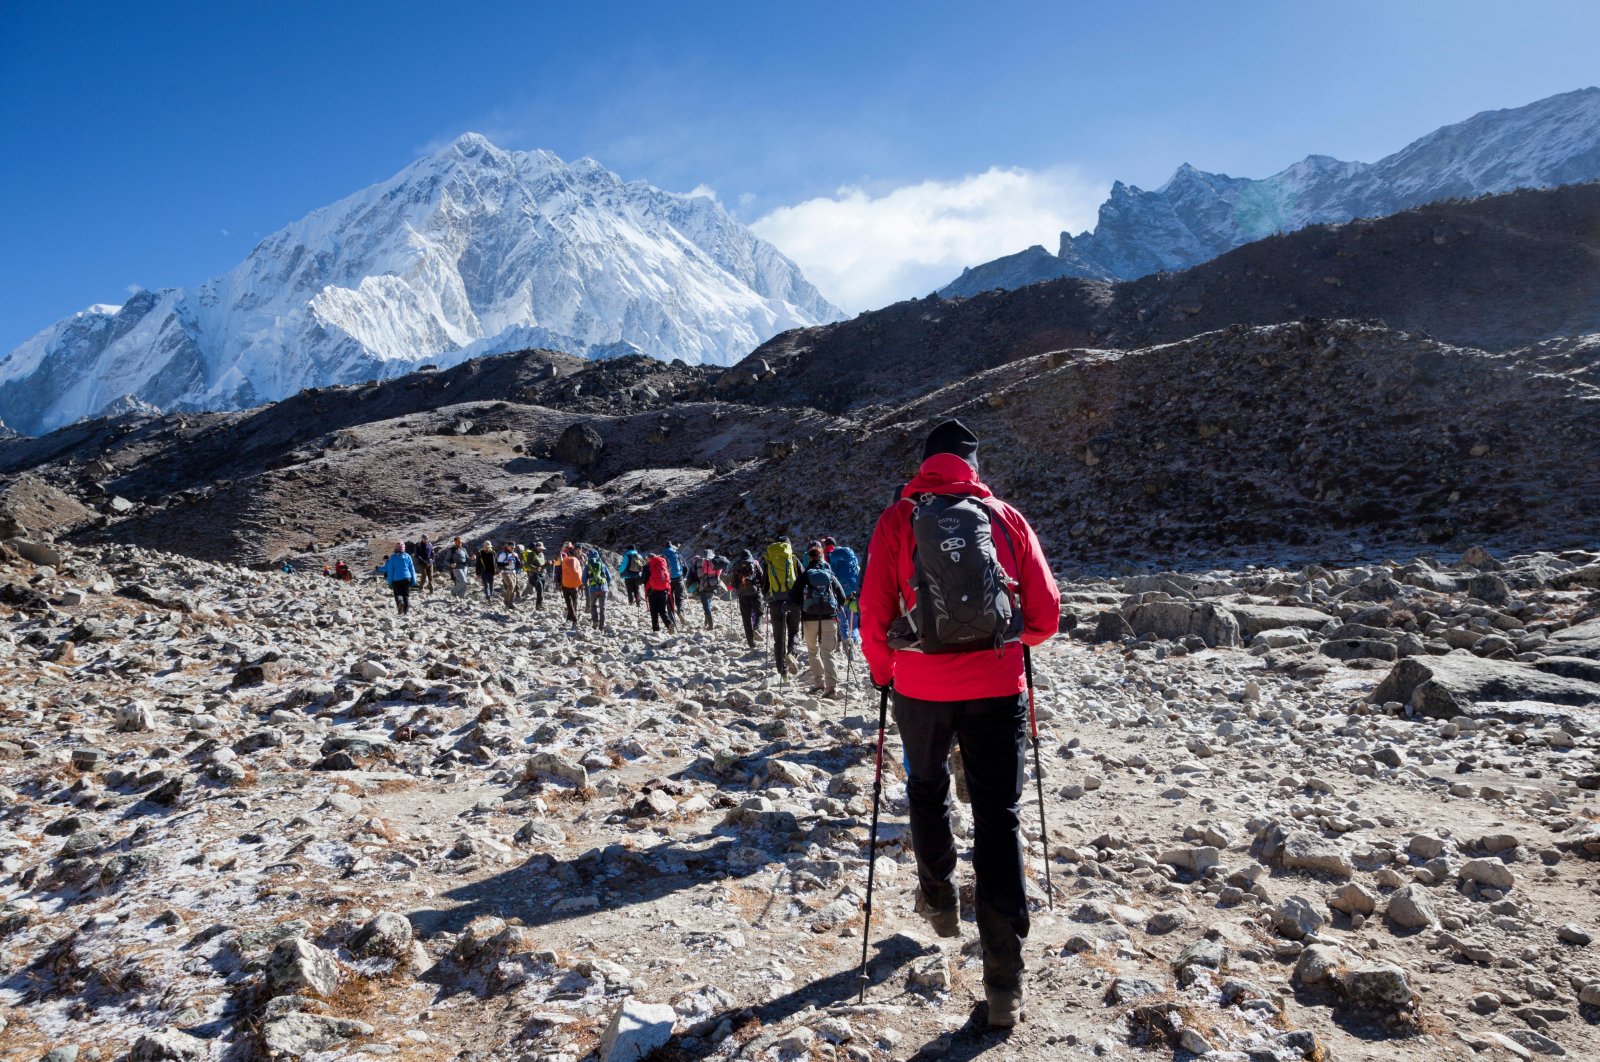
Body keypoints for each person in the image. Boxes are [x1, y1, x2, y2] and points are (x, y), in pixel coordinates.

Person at [860, 418, 1060, 1028]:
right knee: (998, 817)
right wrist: (1003, 639)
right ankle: (1005, 984)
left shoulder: (898, 520)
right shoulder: (1004, 518)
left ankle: (939, 897)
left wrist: (884, 672)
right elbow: (1047, 618)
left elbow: (872, 611)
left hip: (918, 688)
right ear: (974, 466)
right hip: (998, 688)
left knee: (925, 789)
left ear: (924, 465)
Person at [796, 544, 847, 696]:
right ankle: (831, 687)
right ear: (822, 557)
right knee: (828, 653)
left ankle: (818, 683)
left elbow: (793, 596)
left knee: (813, 651)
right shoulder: (829, 574)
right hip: (829, 619)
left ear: (809, 558)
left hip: (809, 619)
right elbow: (842, 597)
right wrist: (835, 608)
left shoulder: (805, 574)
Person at [762, 536, 802, 676]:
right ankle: (791, 653)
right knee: (794, 632)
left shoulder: (770, 560)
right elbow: (802, 580)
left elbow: (764, 584)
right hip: (793, 602)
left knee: (779, 639)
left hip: (775, 602)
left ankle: (782, 672)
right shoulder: (794, 560)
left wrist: (768, 598)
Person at [825, 536, 863, 649]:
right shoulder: (853, 563)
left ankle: (846, 640)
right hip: (852, 595)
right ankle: (854, 639)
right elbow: (859, 576)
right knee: (855, 624)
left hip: (839, 596)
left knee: (842, 622)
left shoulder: (833, 562)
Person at [729, 550, 764, 648]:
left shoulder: (736, 566)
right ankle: (757, 627)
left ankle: (751, 643)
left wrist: (737, 590)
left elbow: (733, 582)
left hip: (742, 595)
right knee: (760, 613)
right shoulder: (755, 563)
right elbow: (761, 577)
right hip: (755, 593)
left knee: (746, 619)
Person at [380, 542, 418, 615]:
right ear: (404, 548)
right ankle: (405, 612)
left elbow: (390, 571)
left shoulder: (393, 557)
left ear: (396, 548)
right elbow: (412, 569)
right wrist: (414, 581)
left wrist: (390, 582)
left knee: (397, 594)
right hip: (407, 578)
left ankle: (400, 605)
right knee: (406, 596)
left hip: (396, 579)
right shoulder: (408, 556)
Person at [644, 552, 675, 632]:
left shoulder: (648, 567)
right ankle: (669, 623)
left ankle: (656, 630)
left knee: (653, 611)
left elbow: (643, 579)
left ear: (649, 558)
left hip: (652, 591)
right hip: (664, 590)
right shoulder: (663, 564)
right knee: (662, 610)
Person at [583, 547, 612, 629]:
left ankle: (595, 621)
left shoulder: (588, 566)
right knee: (602, 608)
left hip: (593, 589)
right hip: (603, 589)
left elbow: (584, 579)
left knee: (593, 605)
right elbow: (609, 578)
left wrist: (586, 584)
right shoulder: (603, 565)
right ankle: (601, 626)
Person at [559, 545, 583, 625]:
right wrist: (581, 584)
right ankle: (570, 619)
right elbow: (580, 572)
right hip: (575, 585)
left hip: (565, 584)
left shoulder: (564, 560)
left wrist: (559, 583)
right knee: (574, 602)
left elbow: (559, 573)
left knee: (569, 603)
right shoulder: (577, 560)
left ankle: (574, 619)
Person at [662, 542, 686, 622]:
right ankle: (681, 612)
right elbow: (685, 567)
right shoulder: (677, 554)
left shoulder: (663, 556)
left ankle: (672, 619)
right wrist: (683, 576)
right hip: (679, 579)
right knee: (680, 598)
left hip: (668, 581)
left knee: (669, 600)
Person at [495, 541, 522, 609]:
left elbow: (519, 565)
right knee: (511, 586)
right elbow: (499, 565)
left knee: (512, 588)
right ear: (507, 546)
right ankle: (506, 601)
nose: (512, 549)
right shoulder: (503, 554)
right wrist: (507, 564)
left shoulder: (515, 554)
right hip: (505, 572)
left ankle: (510, 603)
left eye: (513, 548)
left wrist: (516, 558)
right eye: (511, 547)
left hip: (513, 572)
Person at [525, 541, 546, 609]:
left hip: (541, 574)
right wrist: (536, 568)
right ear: (536, 548)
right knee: (539, 586)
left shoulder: (542, 554)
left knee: (542, 589)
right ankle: (539, 605)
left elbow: (543, 564)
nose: (541, 550)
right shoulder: (531, 554)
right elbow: (528, 564)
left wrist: (548, 563)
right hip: (533, 574)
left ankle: (540, 604)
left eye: (541, 549)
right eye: (540, 548)